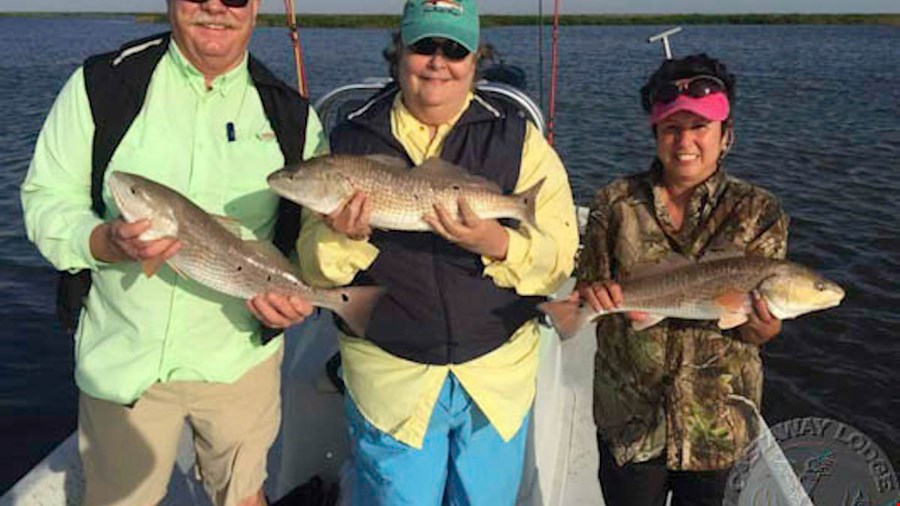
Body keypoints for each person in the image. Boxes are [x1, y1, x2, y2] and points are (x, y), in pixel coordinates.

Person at [20, 1, 326, 504]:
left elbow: (308, 238)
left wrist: (296, 295)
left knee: (246, 494)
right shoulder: (103, 84)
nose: (215, 7)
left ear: (256, 7)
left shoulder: (290, 114)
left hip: (239, 359)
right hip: (124, 364)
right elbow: (46, 200)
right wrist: (103, 242)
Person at [296, 1, 579, 503]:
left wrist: (497, 242)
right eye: (425, 46)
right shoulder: (347, 139)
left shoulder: (518, 138)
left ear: (475, 59)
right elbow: (314, 267)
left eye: (455, 50)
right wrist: (346, 236)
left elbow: (558, 258)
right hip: (391, 379)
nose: (438, 62)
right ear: (399, 50)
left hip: (495, 382)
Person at [574, 53, 790, 505]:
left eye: (700, 128)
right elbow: (588, 289)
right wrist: (597, 300)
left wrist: (765, 327)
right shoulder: (614, 203)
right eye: (672, 128)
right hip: (630, 422)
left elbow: (755, 329)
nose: (685, 141)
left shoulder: (758, 211)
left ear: (725, 136)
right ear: (655, 134)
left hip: (717, 427)